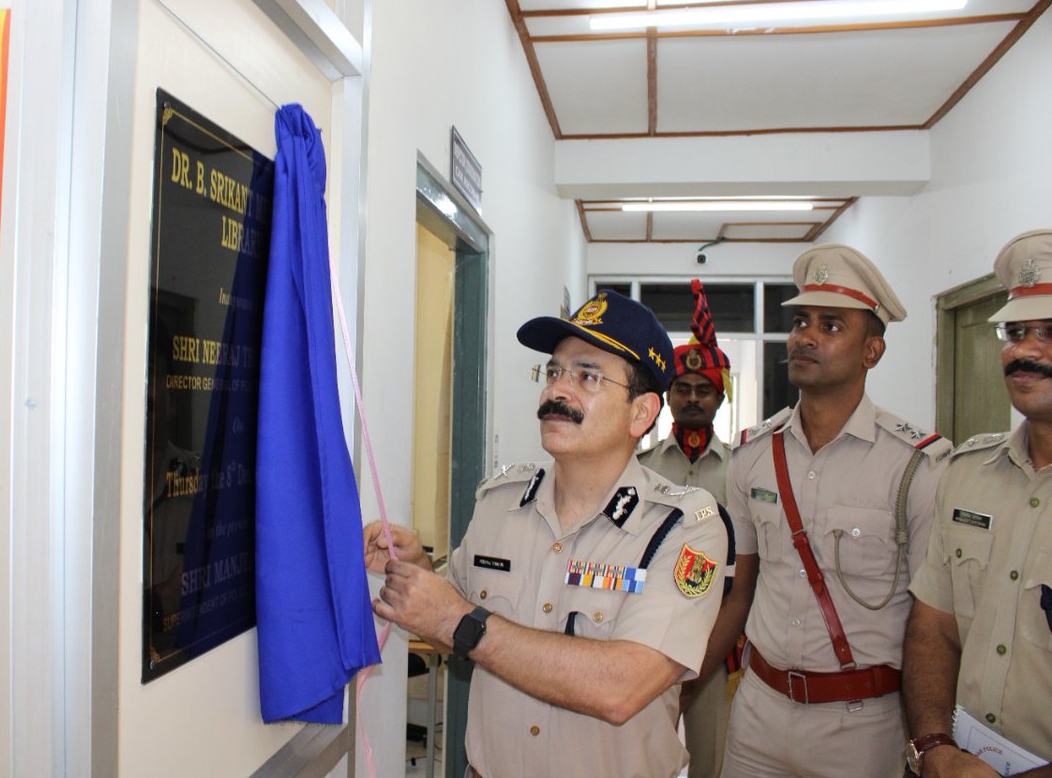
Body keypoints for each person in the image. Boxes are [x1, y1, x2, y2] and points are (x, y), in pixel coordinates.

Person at [365, 290, 729, 777]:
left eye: (588, 376)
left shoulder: (683, 528)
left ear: (641, 413)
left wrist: (460, 621)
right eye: (554, 372)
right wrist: (412, 574)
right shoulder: (498, 503)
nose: (557, 392)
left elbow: (622, 688)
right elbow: (452, 618)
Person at [716, 244, 952, 778]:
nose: (805, 336)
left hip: (864, 727)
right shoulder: (754, 454)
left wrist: (931, 740)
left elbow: (932, 621)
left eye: (830, 325)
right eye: (801, 321)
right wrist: (684, 687)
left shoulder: (916, 467)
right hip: (757, 713)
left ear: (872, 351)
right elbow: (740, 589)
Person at [903, 229, 1052, 778]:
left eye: (1050, 332)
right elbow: (933, 627)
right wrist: (934, 746)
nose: (1025, 352)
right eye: (1015, 332)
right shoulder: (967, 475)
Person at [638, 279, 742, 778]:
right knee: (637, 751)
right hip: (646, 627)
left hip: (719, 635)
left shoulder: (742, 470)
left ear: (720, 400)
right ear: (668, 396)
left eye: (705, 390)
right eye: (684, 388)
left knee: (712, 756)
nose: (694, 398)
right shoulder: (639, 467)